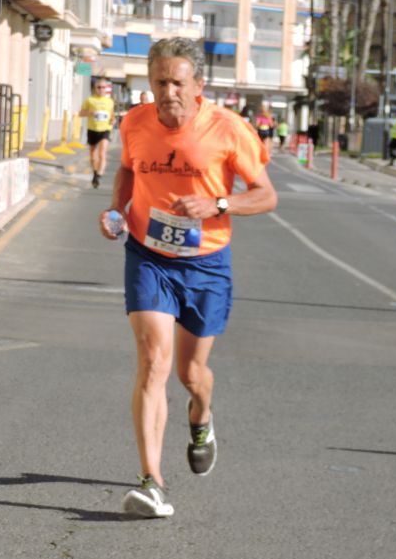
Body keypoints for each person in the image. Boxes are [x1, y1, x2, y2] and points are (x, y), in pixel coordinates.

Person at [99, 37, 278, 518]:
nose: (168, 91)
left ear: (199, 85)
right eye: (160, 81)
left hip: (205, 263)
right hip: (148, 254)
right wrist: (117, 210)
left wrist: (218, 204)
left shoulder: (228, 129)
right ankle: (152, 481)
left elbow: (265, 195)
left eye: (178, 82)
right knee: (152, 362)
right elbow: (127, 172)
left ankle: (202, 419)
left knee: (190, 374)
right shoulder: (135, 122)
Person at [79, 78, 115, 189]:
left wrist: (112, 120)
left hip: (105, 130)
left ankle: (99, 175)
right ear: (95, 88)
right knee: (93, 156)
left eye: (103, 87)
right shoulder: (89, 100)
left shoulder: (109, 101)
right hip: (92, 129)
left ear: (106, 89)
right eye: (98, 87)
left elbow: (111, 114)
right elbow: (81, 113)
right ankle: (95, 173)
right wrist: (90, 112)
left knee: (102, 153)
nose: (101, 89)